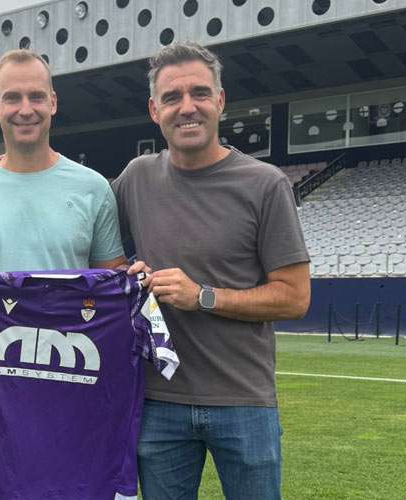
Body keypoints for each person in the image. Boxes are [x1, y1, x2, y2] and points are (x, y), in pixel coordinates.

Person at [0, 49, 146, 500]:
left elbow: (111, 281)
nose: (25, 109)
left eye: (35, 97)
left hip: (73, 386)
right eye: (12, 98)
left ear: (53, 102)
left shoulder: (92, 187)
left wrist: (133, 281)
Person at [112, 42, 311, 499]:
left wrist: (204, 295)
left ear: (220, 100)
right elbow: (78, 218)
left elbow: (296, 297)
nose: (187, 108)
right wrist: (11, 169)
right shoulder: (136, 177)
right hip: (158, 401)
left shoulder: (264, 184)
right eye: (172, 97)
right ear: (153, 109)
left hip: (243, 402)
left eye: (200, 93)